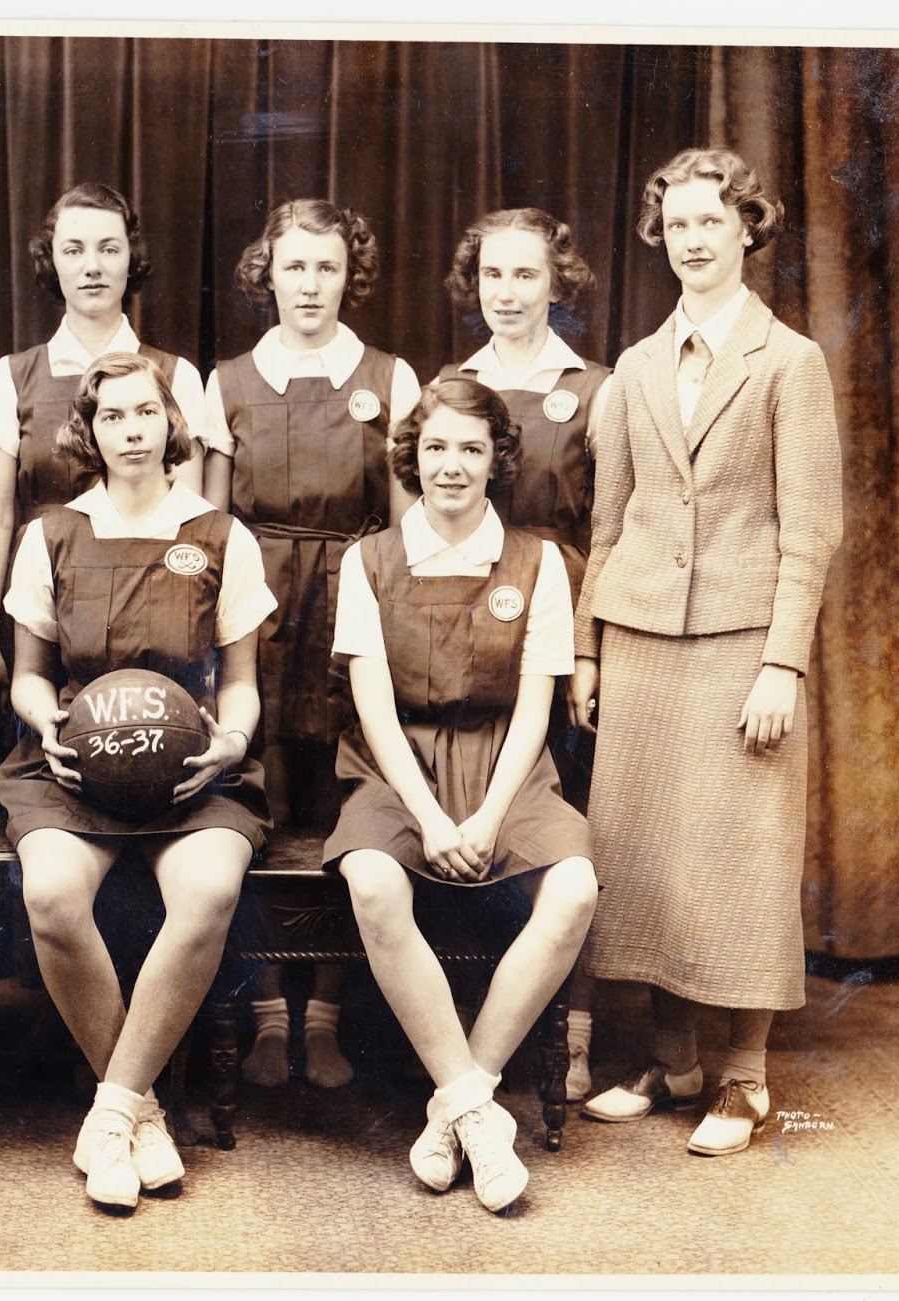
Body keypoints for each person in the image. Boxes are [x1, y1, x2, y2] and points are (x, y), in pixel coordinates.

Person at [569, 148, 842, 1157]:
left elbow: (809, 528)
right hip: (640, 641)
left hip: (739, 643)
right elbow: (607, 525)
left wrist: (783, 660)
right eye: (677, 224)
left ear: (746, 231)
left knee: (740, 856)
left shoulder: (789, 362)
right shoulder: (634, 368)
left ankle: (744, 1077)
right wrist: (592, 650)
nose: (692, 239)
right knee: (642, 858)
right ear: (661, 236)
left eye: (710, 222)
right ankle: (671, 1059)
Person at [0, 352, 275, 1211]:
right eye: (112, 417)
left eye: (144, 413)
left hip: (194, 766)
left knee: (208, 892)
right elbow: (29, 675)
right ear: (91, 431)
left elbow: (241, 681)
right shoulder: (50, 532)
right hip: (76, 762)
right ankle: (141, 1109)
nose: (131, 431)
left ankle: (110, 1110)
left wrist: (229, 742)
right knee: (50, 895)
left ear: (170, 423)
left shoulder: (221, 534)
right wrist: (45, 722)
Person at [323, 378, 598, 1213]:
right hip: (397, 767)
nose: (452, 465)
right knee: (371, 880)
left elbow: (534, 708)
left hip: (507, 768)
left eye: (471, 449)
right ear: (413, 455)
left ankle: (456, 1101)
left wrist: (481, 816)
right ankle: (482, 1116)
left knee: (576, 887)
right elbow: (372, 707)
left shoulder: (539, 561)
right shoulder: (366, 560)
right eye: (436, 447)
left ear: (497, 460)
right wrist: (435, 816)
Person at [202, 198, 421, 1090]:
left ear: (348, 274)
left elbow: (407, 528)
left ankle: (324, 1015)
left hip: (353, 598)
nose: (310, 284)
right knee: (257, 800)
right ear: (268, 274)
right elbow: (210, 524)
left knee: (341, 803)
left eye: (327, 267)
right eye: (294, 266)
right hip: (259, 602)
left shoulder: (388, 375)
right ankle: (261, 1012)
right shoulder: (229, 380)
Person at [439, 207, 614, 1101]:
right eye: (491, 277)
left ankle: (571, 1034)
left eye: (525, 276)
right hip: (468, 618)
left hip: (565, 610)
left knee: (566, 819)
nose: (506, 294)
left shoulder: (595, 386)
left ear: (558, 282)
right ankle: (459, 1031)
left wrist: (587, 649)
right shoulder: (450, 383)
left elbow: (615, 525)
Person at [0, 183, 216, 714]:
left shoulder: (177, 375)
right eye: (74, 249)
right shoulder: (11, 376)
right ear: (51, 262)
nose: (93, 266)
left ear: (131, 259)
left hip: (150, 604)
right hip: (42, 606)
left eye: (109, 248)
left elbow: (190, 518)